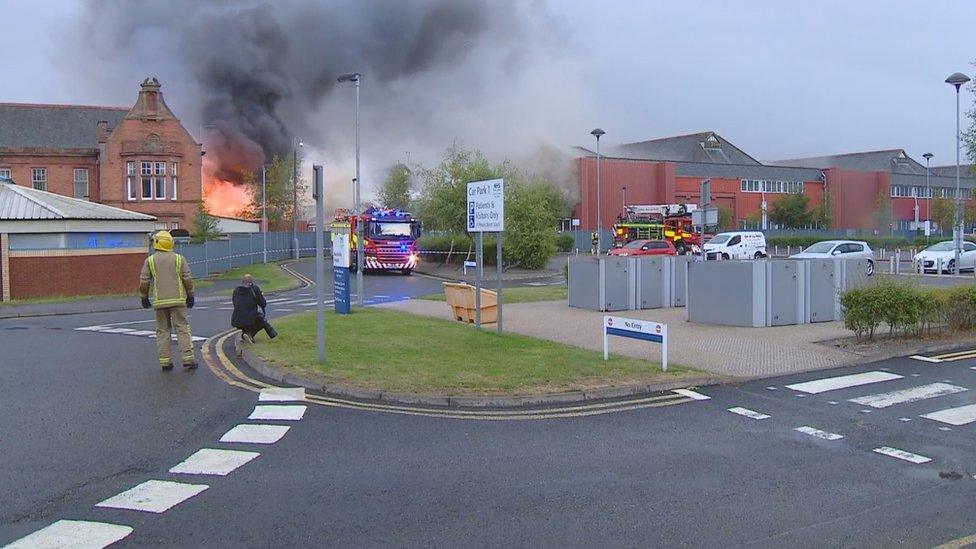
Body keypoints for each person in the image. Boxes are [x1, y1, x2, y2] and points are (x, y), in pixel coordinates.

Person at [139, 230, 196, 370]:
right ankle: (188, 359)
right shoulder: (179, 259)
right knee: (182, 329)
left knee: (162, 331)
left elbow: (144, 281)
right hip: (178, 300)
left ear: (156, 243)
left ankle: (165, 361)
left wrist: (144, 297)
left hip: (159, 302)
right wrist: (191, 295)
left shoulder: (150, 260)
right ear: (171, 243)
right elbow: (187, 278)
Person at [231, 274, 277, 356]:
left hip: (236, 318)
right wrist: (261, 295)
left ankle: (244, 337)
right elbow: (263, 303)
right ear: (251, 282)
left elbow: (235, 303)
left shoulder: (236, 290)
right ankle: (249, 335)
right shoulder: (254, 289)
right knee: (262, 320)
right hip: (249, 318)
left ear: (242, 281)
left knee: (250, 319)